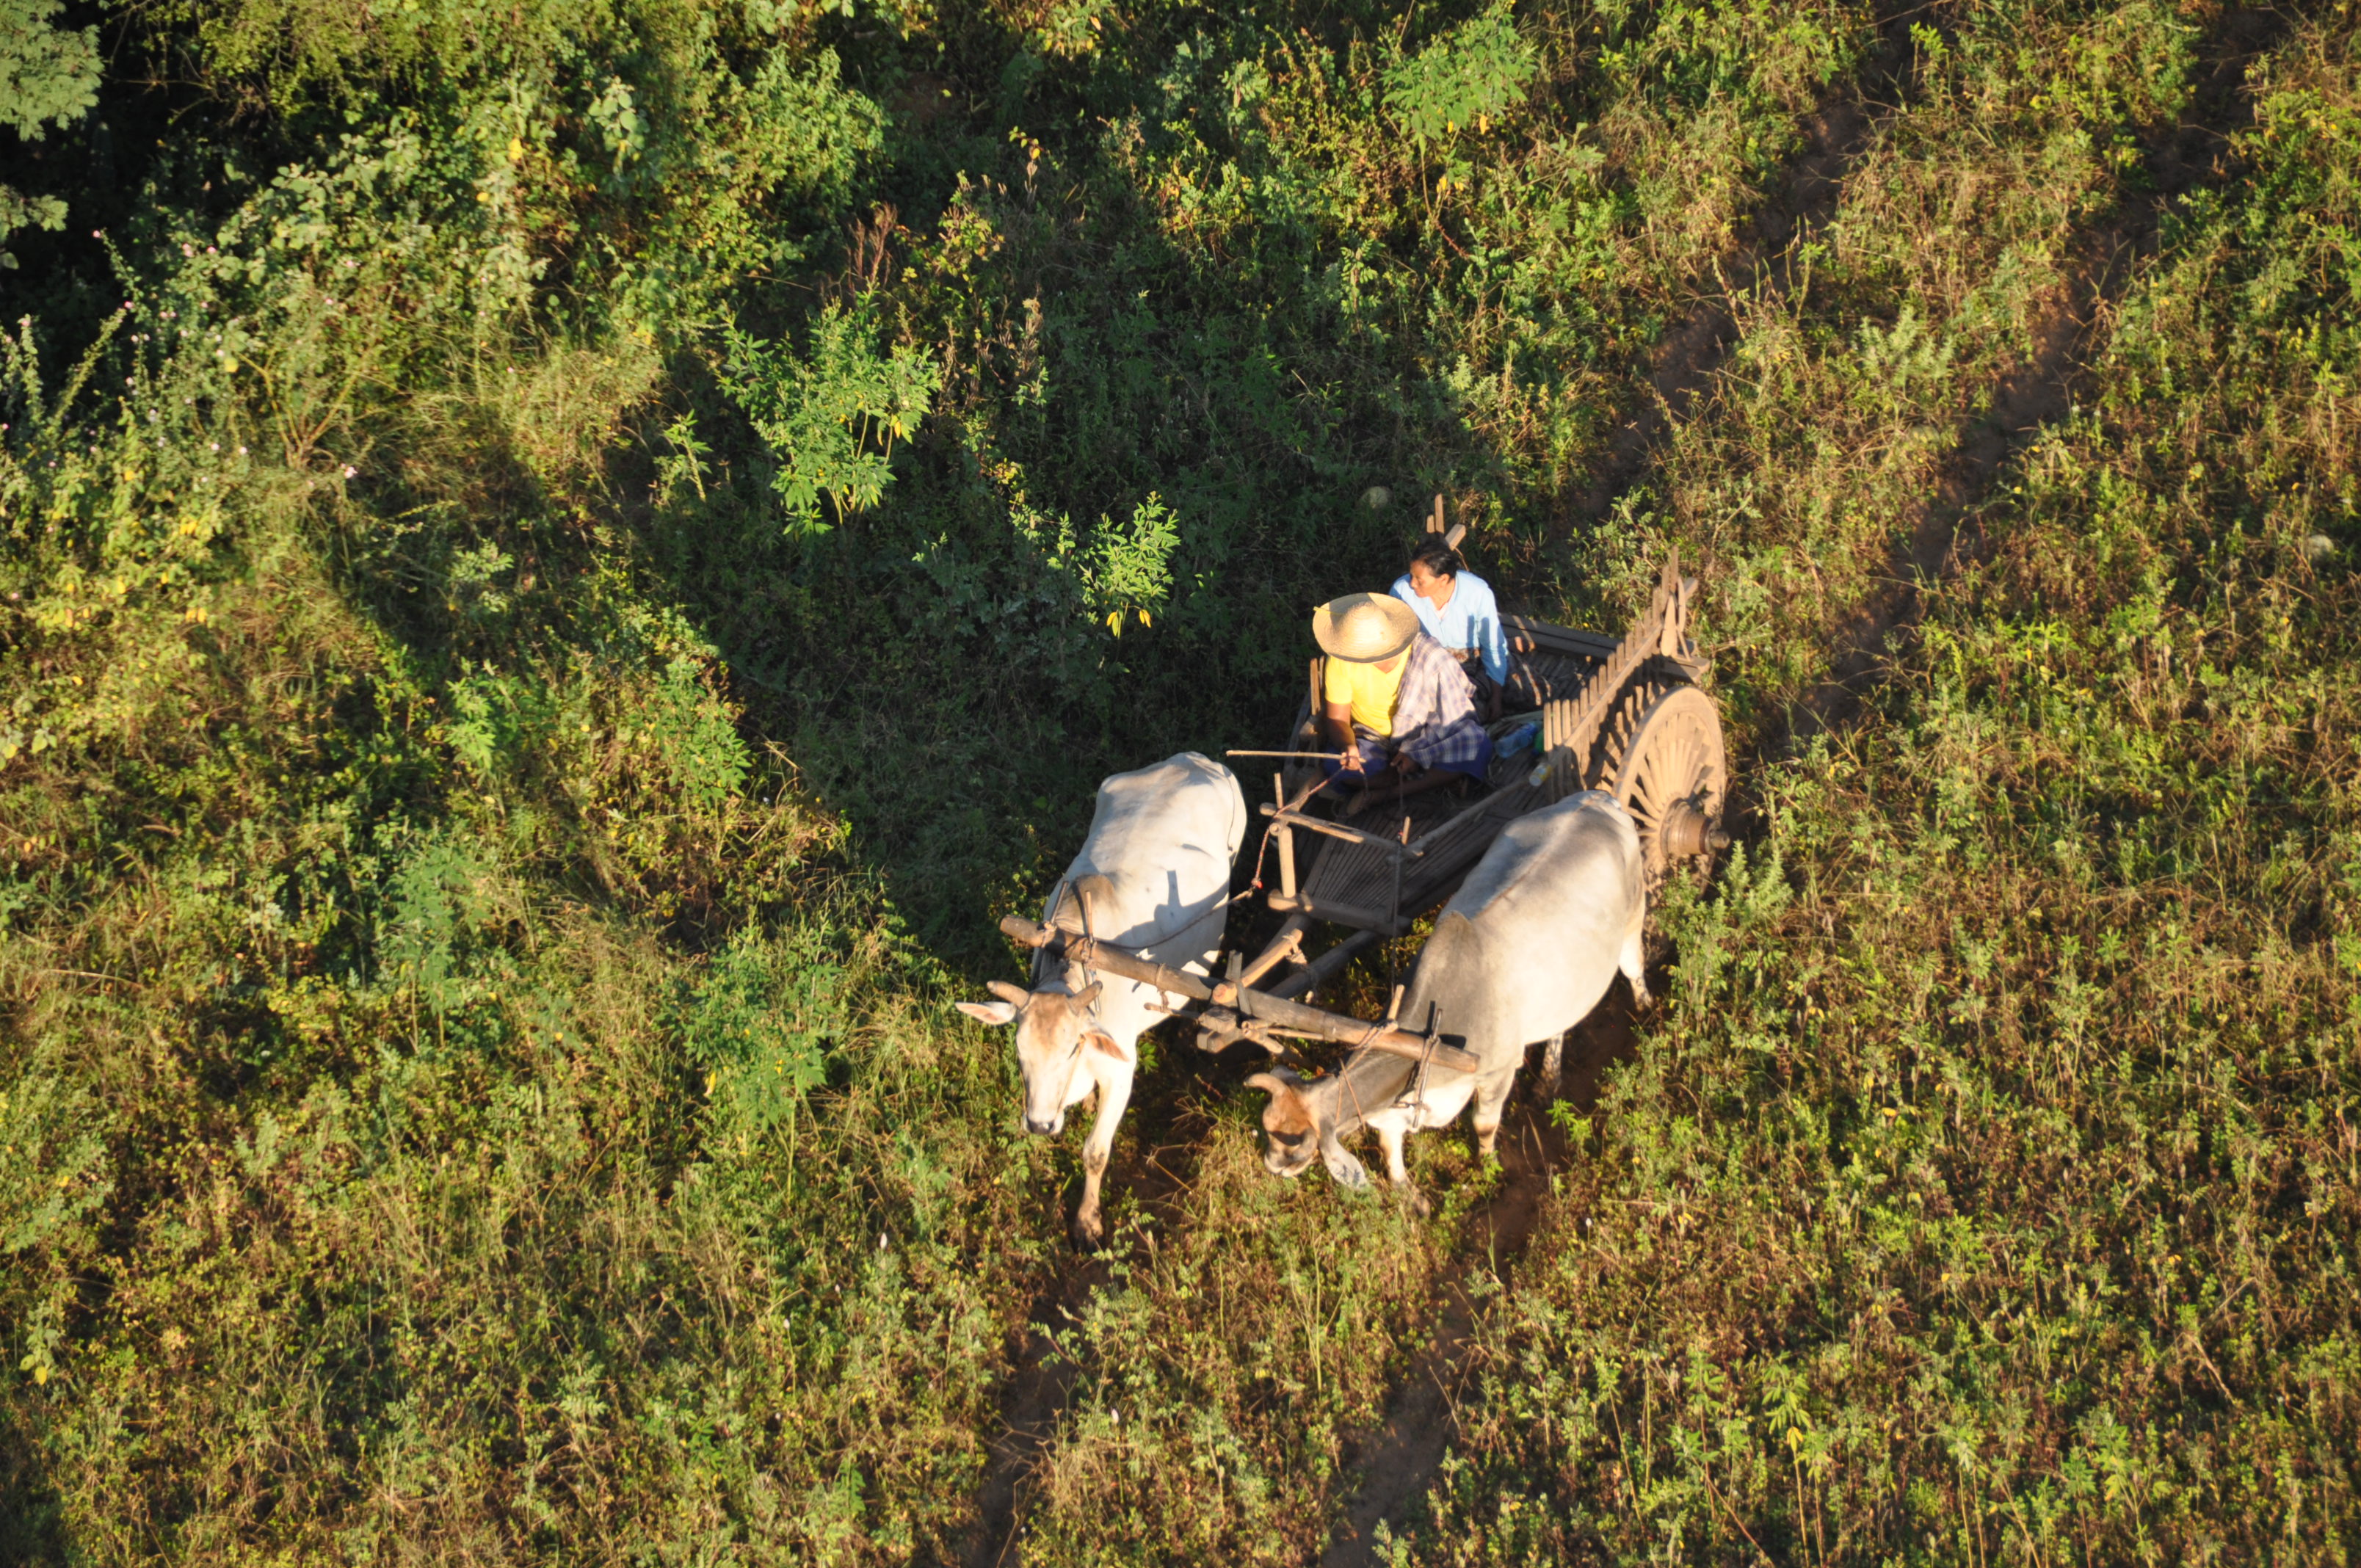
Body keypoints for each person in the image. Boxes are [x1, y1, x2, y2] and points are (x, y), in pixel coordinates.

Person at [1311, 592, 1495, 816]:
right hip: (1371, 738)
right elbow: (1338, 718)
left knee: (1477, 744)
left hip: (1424, 734)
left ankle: (1386, 792)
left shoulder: (1428, 654)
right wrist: (1347, 746)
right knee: (1336, 767)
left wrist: (1415, 752)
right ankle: (1417, 781)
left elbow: (1452, 712)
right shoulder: (1341, 660)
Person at [1391, 536, 1513, 719]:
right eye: (1411, 576)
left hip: (1470, 661)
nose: (1412, 584)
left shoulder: (1477, 593)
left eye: (1419, 580)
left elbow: (1493, 646)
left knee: (1526, 695)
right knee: (1456, 714)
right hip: (1426, 665)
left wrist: (1497, 698)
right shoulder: (1401, 592)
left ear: (1443, 579)